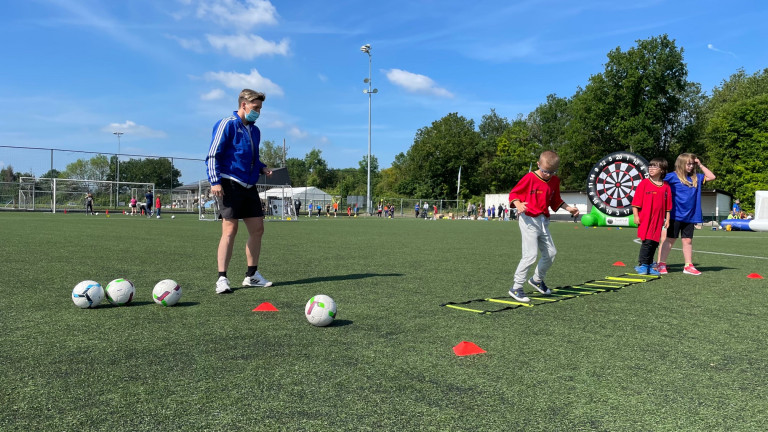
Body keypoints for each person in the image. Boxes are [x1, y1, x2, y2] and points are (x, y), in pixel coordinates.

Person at [205, 88, 274, 294]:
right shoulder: (227, 124)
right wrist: (215, 181)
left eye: (260, 108)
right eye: (255, 107)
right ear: (243, 105)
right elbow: (212, 155)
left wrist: (262, 167)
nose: (258, 112)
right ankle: (222, 279)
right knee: (230, 230)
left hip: (249, 185)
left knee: (258, 229)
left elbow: (251, 156)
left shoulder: (255, 130)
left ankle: (252, 275)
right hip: (229, 183)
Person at [507, 150, 579, 302]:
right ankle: (516, 287)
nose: (548, 174)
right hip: (528, 219)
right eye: (545, 171)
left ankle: (537, 280)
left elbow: (556, 200)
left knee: (551, 253)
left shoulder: (554, 181)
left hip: (543, 220)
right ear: (538, 164)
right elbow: (514, 194)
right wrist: (518, 203)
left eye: (552, 172)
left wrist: (569, 209)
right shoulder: (530, 177)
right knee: (530, 255)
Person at [656, 153, 716, 275]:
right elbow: (657, 184)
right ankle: (661, 264)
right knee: (669, 240)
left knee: (687, 241)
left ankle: (688, 266)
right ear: (681, 164)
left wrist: (700, 164)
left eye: (692, 164)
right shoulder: (671, 177)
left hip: (690, 216)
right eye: (688, 164)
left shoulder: (697, 178)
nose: (690, 166)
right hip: (674, 215)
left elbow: (712, 176)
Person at [631, 158, 672, 275]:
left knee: (654, 241)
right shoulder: (644, 183)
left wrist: (667, 218)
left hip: (658, 219)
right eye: (650, 166)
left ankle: (649, 264)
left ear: (662, 170)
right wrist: (635, 215)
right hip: (645, 217)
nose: (651, 169)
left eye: (655, 167)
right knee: (647, 240)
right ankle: (643, 265)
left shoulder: (666, 186)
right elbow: (636, 202)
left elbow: (668, 205)